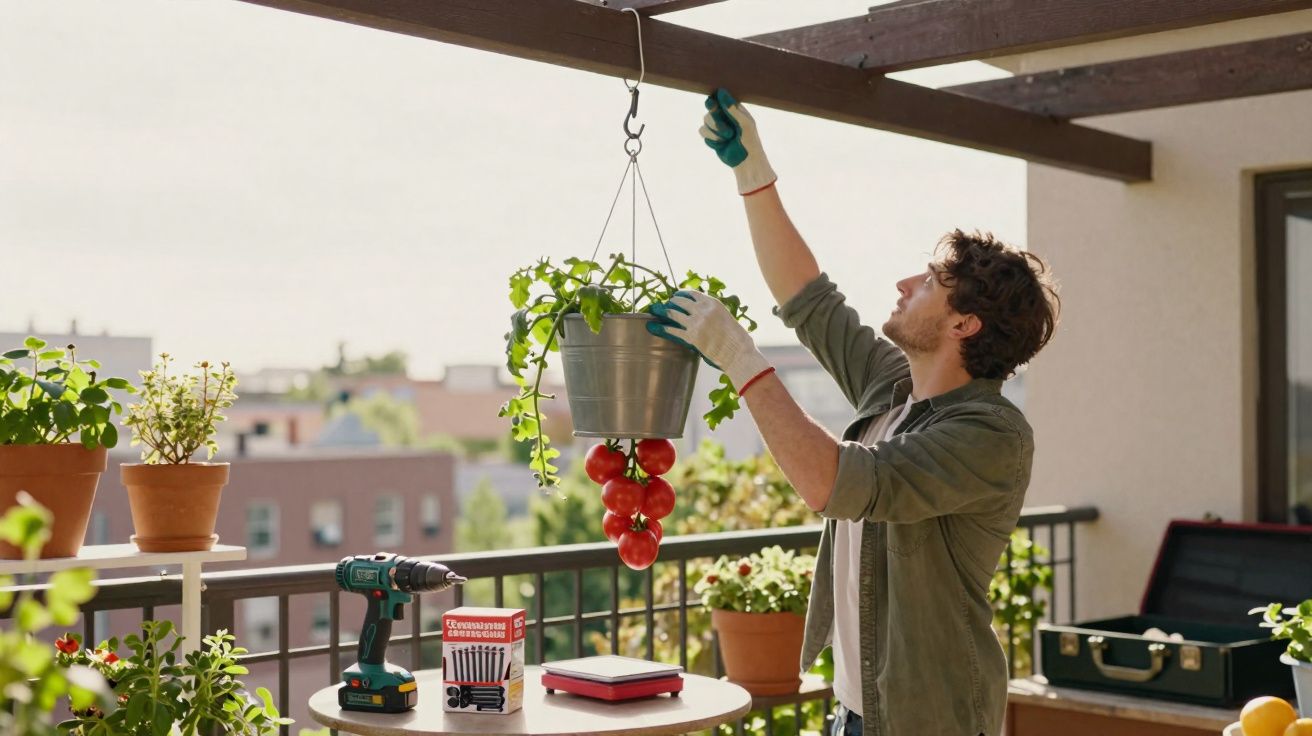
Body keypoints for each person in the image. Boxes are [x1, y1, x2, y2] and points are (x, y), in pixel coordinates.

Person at [647, 88, 1061, 736]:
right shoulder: (893, 389)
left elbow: (833, 482)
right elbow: (808, 300)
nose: (903, 284)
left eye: (927, 282)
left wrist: (736, 354)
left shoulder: (991, 435)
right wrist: (752, 172)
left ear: (964, 322)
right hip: (857, 715)